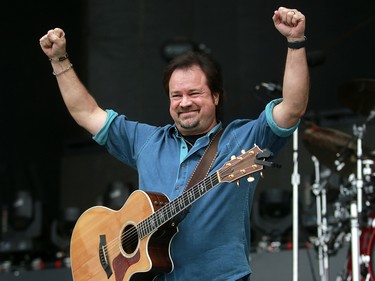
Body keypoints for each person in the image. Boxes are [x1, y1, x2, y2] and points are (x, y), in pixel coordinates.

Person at [39, 6, 309, 281]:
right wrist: (59, 61)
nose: (185, 102)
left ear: (216, 96)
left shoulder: (243, 139)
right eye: (176, 95)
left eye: (194, 93)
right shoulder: (147, 141)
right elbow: (87, 113)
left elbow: (292, 109)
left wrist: (295, 42)